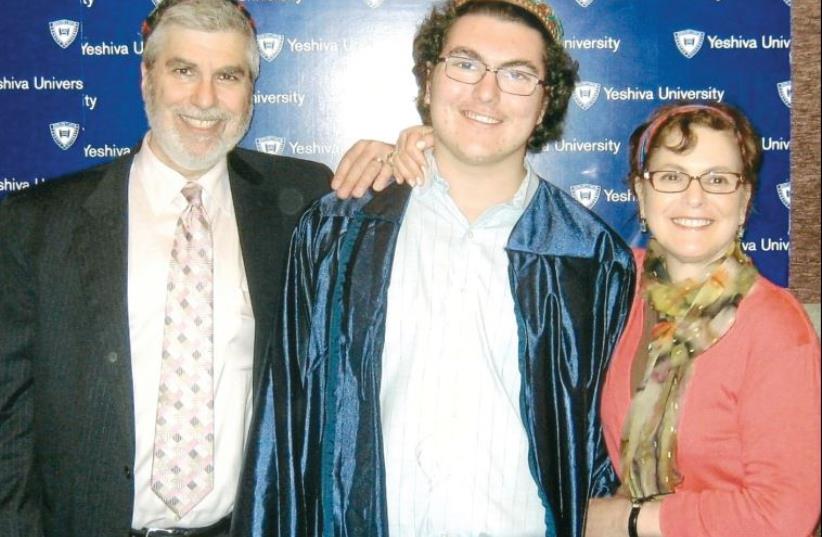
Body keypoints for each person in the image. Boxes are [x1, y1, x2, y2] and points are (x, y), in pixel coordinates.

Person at [234, 1, 635, 536]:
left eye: (517, 74)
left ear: (544, 105)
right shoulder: (339, 232)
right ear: (429, 81)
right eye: (465, 65)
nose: (486, 92)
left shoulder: (589, 258)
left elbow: (602, 456)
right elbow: (286, 429)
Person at [0, 0, 373, 534]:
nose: (205, 99)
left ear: (251, 88)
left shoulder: (303, 202)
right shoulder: (35, 225)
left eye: (228, 76)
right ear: (146, 76)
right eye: (183, 71)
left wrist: (410, 153)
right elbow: (7, 425)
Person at [581, 102, 821, 537]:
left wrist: (628, 520)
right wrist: (427, 162)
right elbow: (515, 227)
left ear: (745, 198)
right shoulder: (615, 286)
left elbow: (784, 515)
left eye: (718, 180)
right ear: (640, 191)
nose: (695, 197)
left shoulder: (776, 328)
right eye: (672, 177)